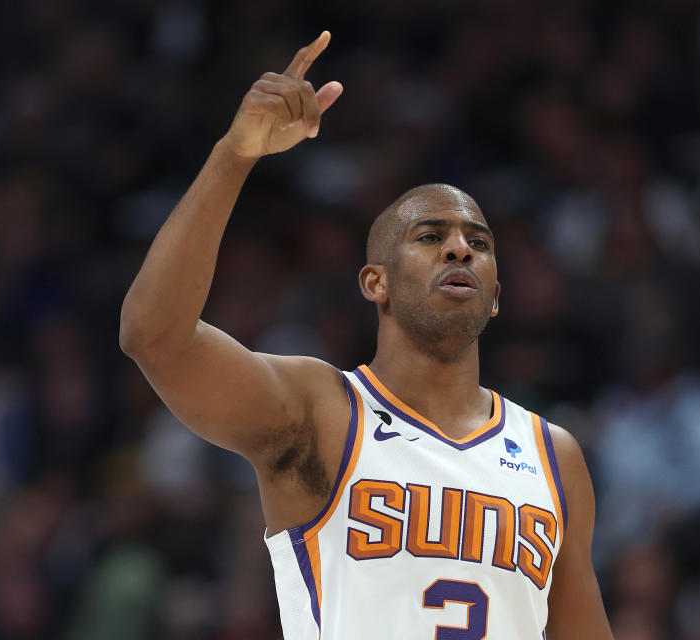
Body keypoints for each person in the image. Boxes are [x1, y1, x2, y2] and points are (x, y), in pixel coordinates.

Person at [120, 31, 612, 639]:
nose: (459, 247)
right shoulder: (320, 411)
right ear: (374, 282)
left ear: (495, 298)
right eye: (430, 237)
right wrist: (235, 155)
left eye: (478, 244)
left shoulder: (554, 456)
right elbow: (154, 335)